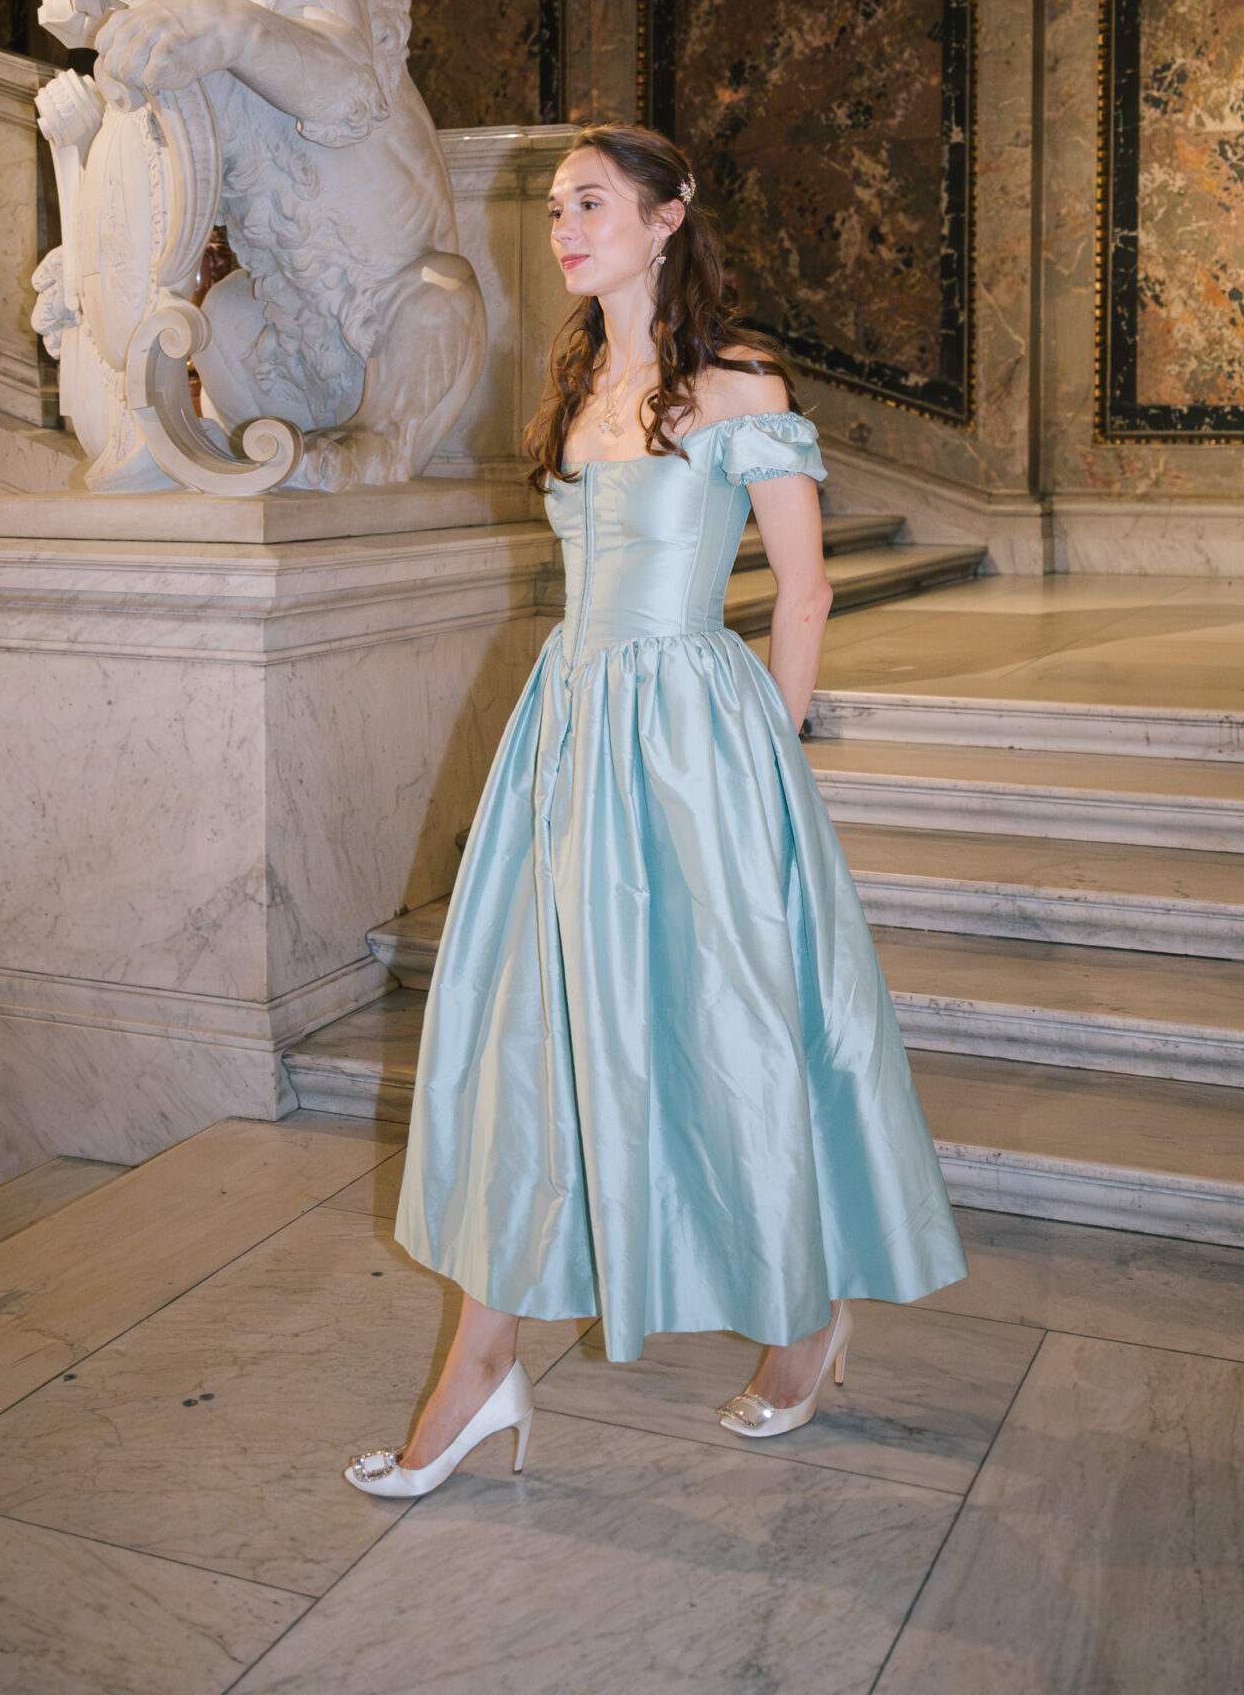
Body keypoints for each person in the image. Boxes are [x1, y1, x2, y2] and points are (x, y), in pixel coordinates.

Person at [344, 124, 966, 1500]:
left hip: (695, 744)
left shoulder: (741, 387)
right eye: (556, 206)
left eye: (589, 203)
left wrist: (772, 760)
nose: (564, 227)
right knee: (534, 1037)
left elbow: (801, 590)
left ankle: (803, 1325)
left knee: (728, 1030)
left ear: (668, 217)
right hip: (570, 732)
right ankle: (481, 1365)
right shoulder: (572, 384)